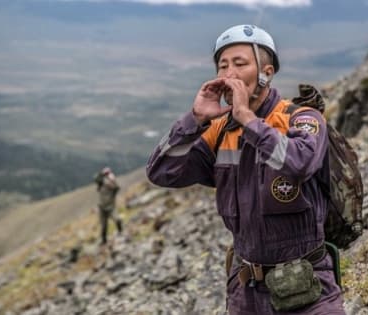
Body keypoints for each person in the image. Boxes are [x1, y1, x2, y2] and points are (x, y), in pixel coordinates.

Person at [147, 24, 345, 314]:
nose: (229, 74)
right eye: (222, 66)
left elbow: (300, 162)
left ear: (267, 72)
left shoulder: (302, 118)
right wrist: (195, 119)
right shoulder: (219, 131)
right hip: (246, 293)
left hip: (310, 289)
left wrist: (247, 119)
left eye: (240, 64)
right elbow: (161, 170)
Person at [94, 166, 122, 245]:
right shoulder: (101, 183)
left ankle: (120, 232)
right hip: (102, 208)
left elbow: (117, 188)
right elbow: (96, 179)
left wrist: (112, 180)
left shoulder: (112, 184)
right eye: (105, 175)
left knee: (117, 220)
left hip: (111, 207)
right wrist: (101, 175)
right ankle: (104, 241)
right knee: (104, 226)